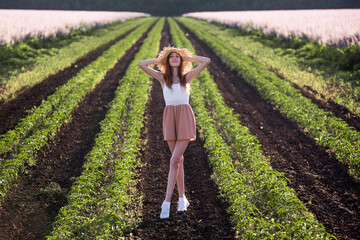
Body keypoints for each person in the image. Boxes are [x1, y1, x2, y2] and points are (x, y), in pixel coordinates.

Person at [138, 46, 210, 219]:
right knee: (178, 160)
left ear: (181, 60)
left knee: (174, 160)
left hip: (184, 116)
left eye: (178, 56)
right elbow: (142, 64)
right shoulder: (163, 78)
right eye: (172, 57)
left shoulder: (187, 77)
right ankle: (182, 198)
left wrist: (188, 57)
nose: (175, 58)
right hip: (169, 116)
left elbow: (206, 61)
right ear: (168, 61)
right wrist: (160, 60)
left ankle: (166, 203)